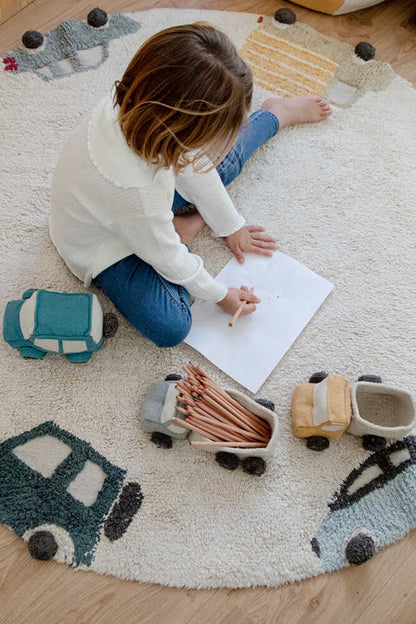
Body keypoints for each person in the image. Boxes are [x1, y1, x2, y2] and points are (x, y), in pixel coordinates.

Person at [50, 23, 331, 348]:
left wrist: (229, 225)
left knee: (216, 165)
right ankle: (186, 223)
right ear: (183, 131)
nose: (218, 143)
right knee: (171, 325)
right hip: (104, 247)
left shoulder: (141, 104)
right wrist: (220, 293)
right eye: (215, 135)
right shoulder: (138, 192)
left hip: (132, 204)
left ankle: (274, 115)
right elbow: (167, 256)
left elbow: (193, 164)